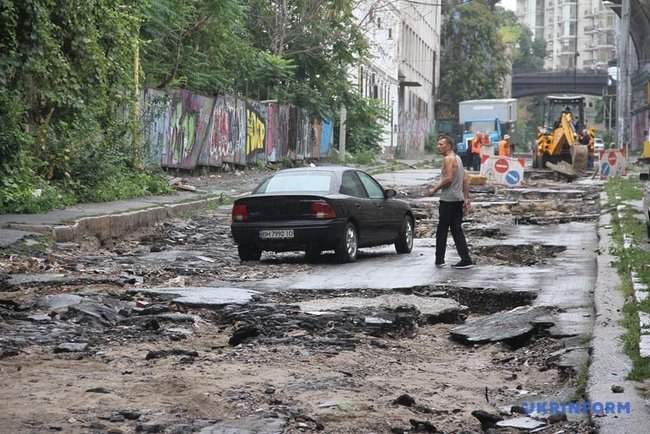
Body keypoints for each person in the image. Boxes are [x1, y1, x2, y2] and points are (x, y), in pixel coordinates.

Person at [429, 135, 473, 269]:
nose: (439, 146)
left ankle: (439, 260)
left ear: (449, 145)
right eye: (438, 144)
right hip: (457, 199)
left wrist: (434, 189)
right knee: (456, 230)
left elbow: (448, 179)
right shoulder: (458, 159)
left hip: (448, 200)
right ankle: (466, 259)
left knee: (442, 230)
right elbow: (465, 179)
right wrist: (466, 198)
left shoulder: (448, 159)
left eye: (441, 144)